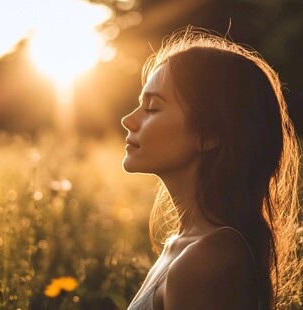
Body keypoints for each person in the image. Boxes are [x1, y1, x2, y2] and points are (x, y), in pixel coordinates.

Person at [121, 27, 301, 310]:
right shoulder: (185, 246)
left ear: (208, 134)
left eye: (152, 108)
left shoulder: (209, 260)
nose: (128, 120)